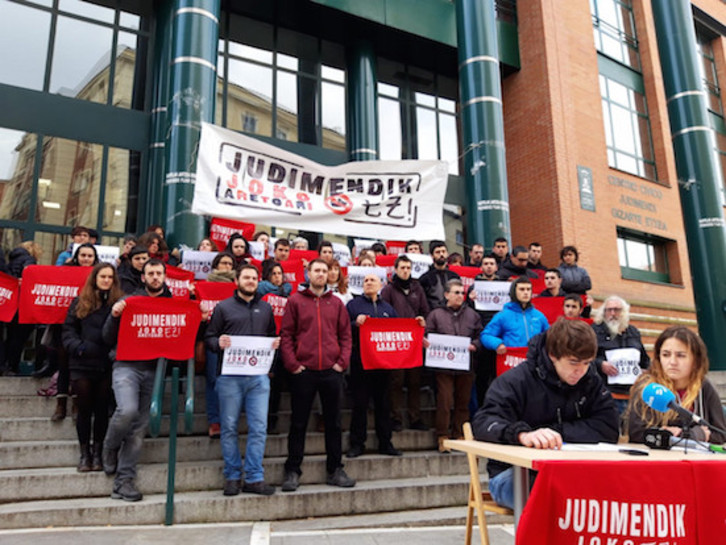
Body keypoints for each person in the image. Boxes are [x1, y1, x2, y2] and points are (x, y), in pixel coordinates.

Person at [472, 318, 620, 509]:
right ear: (552, 355)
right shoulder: (517, 380)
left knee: (611, 492)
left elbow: (608, 427)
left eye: (587, 363)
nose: (580, 371)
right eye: (574, 362)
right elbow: (483, 422)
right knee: (558, 496)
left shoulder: (590, 380)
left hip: (572, 470)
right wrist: (522, 434)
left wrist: (555, 433)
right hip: (515, 473)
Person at [280, 259, 355, 492]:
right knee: (299, 423)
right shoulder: (295, 301)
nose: (321, 274)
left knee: (333, 423)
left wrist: (342, 363)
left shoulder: (337, 304)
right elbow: (286, 335)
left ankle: (335, 469)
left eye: (325, 271)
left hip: (331, 372)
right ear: (308, 273)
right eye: (317, 270)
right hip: (304, 371)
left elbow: (345, 336)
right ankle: (292, 470)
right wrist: (293, 364)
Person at [101, 258, 173, 502]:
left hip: (154, 369)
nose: (155, 277)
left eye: (159, 273)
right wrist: (114, 316)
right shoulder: (128, 301)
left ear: (164, 276)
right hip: (126, 366)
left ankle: (124, 480)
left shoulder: (173, 305)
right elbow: (107, 337)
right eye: (150, 273)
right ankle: (110, 446)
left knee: (139, 428)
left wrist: (202, 317)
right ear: (143, 277)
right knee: (127, 410)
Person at [205, 265, 279, 496]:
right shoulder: (223, 308)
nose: (250, 281)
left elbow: (271, 336)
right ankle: (232, 476)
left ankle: (255, 477)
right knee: (228, 428)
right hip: (229, 377)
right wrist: (218, 343)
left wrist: (273, 348)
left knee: (259, 427)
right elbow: (208, 338)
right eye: (246, 277)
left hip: (258, 377)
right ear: (237, 280)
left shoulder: (266, 308)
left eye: (254, 278)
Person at [62, 263, 123, 472]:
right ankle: (84, 453)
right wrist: (78, 347)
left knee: (101, 408)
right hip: (82, 362)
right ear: (95, 278)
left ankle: (98, 452)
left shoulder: (118, 304)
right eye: (102, 276)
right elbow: (68, 330)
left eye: (109, 277)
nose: (106, 280)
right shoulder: (80, 302)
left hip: (105, 363)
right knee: (84, 409)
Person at [626, 326, 726, 445]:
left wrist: (684, 434)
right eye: (666, 355)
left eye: (680, 355)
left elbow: (720, 434)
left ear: (696, 360)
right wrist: (694, 434)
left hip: (695, 459)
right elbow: (637, 433)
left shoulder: (704, 386)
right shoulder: (647, 387)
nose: (672, 362)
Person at [346, 274, 402, 458]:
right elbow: (343, 328)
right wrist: (356, 323)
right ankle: (357, 444)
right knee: (360, 404)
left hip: (383, 365)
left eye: (372, 280)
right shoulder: (353, 306)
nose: (369, 283)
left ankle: (385, 442)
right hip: (360, 362)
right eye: (366, 281)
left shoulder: (388, 308)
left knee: (383, 405)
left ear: (381, 285)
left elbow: (398, 332)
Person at [426, 279, 483, 452]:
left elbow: (481, 334)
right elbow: (427, 333)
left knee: (463, 402)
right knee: (444, 401)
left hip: (466, 365)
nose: (460, 296)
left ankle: (459, 434)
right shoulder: (435, 314)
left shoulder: (473, 315)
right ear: (446, 295)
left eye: (462, 293)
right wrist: (426, 342)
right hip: (443, 366)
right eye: (456, 292)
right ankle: (442, 436)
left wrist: (475, 345)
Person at [381, 255, 430, 432]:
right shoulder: (388, 289)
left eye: (408, 268)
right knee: (396, 380)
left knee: (415, 381)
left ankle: (415, 417)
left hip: (414, 341)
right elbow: (384, 312)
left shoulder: (417, 287)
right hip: (396, 341)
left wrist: (422, 321)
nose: (405, 271)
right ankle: (396, 418)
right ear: (395, 269)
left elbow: (425, 310)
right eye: (402, 268)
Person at [591, 296, 650, 414]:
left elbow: (644, 360)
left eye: (617, 310)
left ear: (624, 312)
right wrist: (600, 364)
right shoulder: (593, 332)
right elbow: (584, 358)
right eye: (609, 310)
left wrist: (645, 370)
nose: (612, 313)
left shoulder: (634, 332)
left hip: (632, 396)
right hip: (607, 394)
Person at [481, 277, 549, 355]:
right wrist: (497, 344)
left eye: (528, 289)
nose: (526, 292)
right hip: (513, 361)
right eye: (522, 289)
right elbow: (486, 335)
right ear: (514, 292)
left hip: (536, 360)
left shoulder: (539, 316)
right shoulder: (503, 316)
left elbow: (549, 337)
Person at [3, 241, 42, 375]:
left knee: (10, 336)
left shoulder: (11, 261)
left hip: (11, 305)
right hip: (23, 305)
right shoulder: (29, 260)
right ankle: (13, 367)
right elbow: (30, 276)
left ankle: (5, 365)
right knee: (19, 338)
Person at [419, 240, 460, 310]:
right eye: (438, 252)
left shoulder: (454, 276)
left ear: (447, 253)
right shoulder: (425, 278)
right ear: (432, 255)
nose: (441, 254)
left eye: (443, 251)